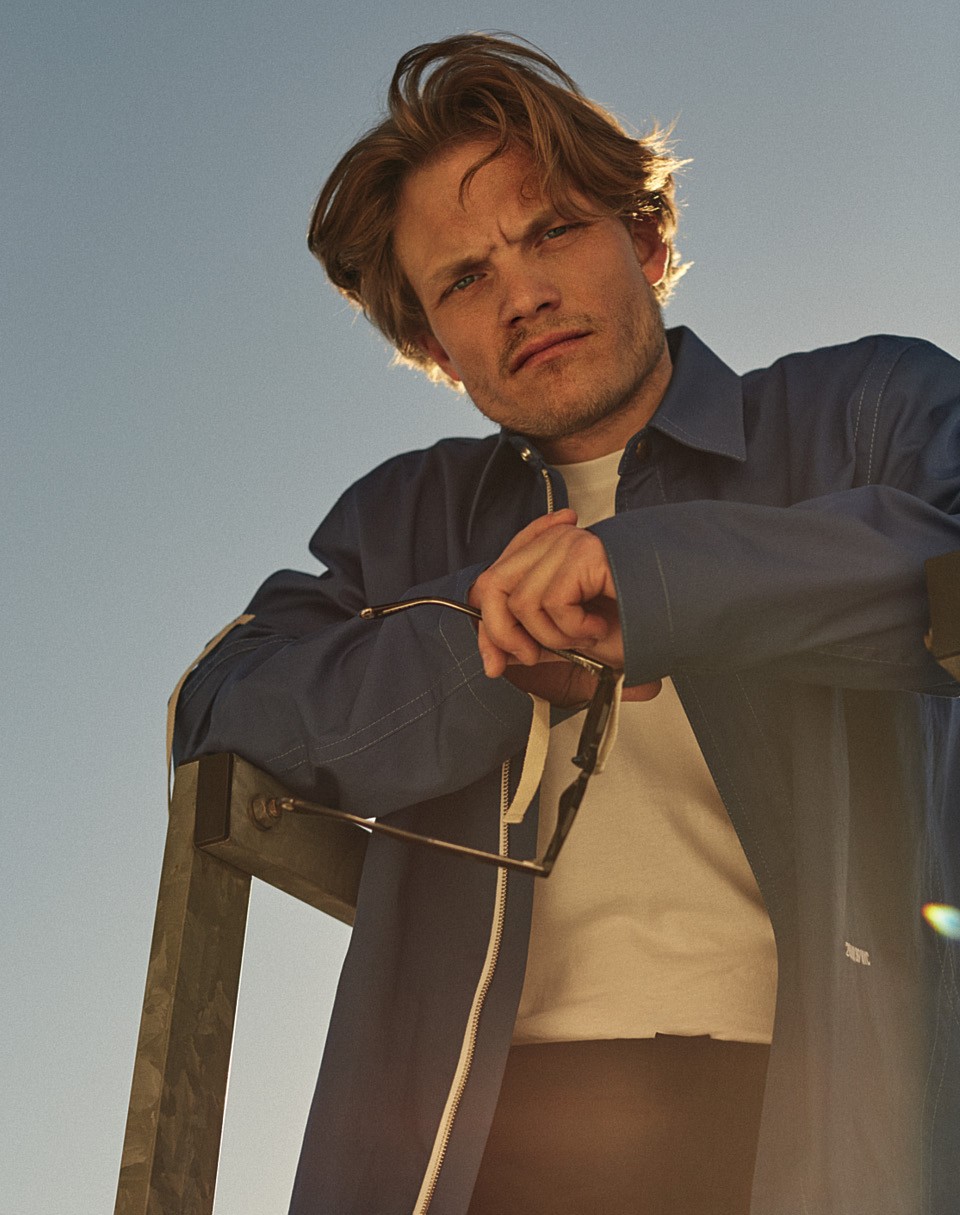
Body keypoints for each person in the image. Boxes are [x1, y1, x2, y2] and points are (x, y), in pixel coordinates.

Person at [172, 32, 960, 1215]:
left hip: (823, 1126)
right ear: (434, 347)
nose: (523, 295)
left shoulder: (869, 409)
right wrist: (479, 650)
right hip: (470, 1149)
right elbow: (220, 710)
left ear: (644, 241)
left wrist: (655, 583)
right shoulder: (402, 519)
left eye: (551, 231)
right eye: (464, 280)